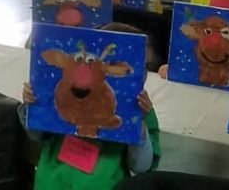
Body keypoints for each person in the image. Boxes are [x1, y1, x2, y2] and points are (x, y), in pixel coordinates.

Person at [21, 22, 161, 188]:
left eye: (144, 68)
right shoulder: (61, 92)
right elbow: (37, 135)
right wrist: (33, 104)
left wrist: (139, 125)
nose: (139, 75)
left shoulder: (142, 109)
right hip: (51, 182)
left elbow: (140, 167)